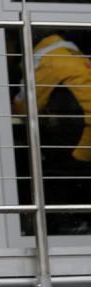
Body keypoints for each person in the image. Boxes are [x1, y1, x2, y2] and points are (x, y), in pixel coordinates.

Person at [13, 33, 91, 234]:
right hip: (84, 136)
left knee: (31, 163)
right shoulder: (75, 56)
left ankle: (62, 223)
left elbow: (24, 106)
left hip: (80, 142)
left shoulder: (47, 60)